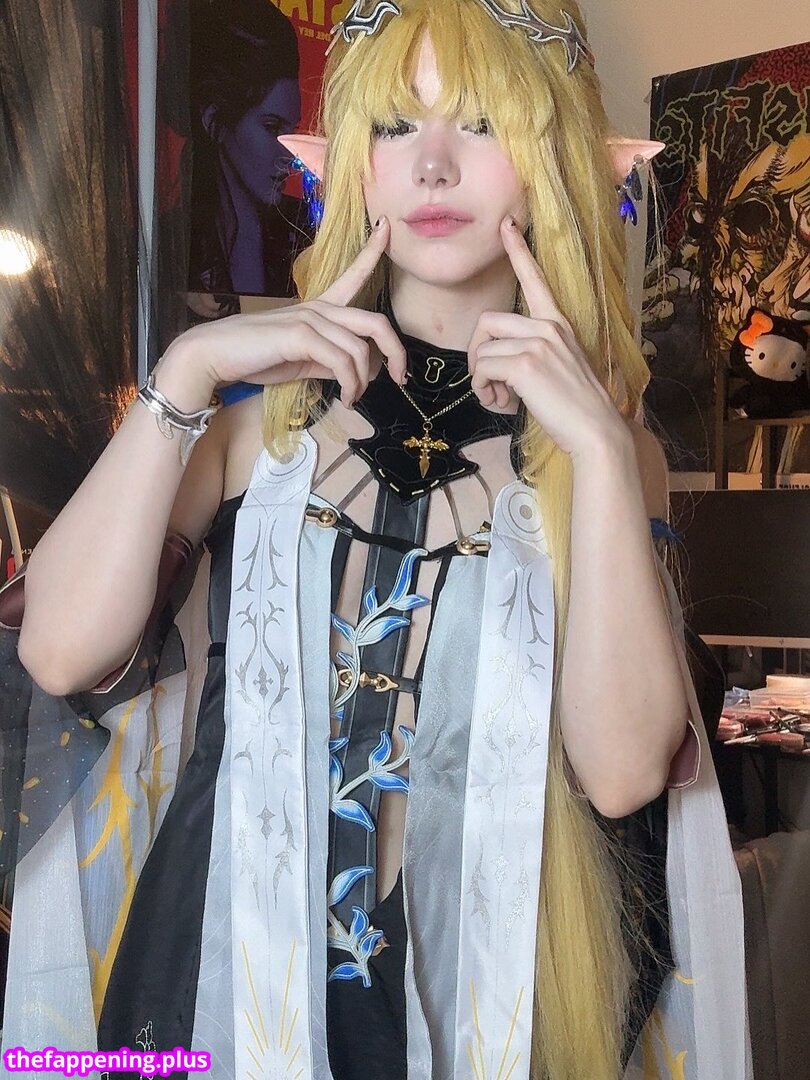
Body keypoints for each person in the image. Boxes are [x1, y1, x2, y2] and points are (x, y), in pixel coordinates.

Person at [8, 2, 749, 1078]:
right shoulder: (250, 428)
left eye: (481, 122)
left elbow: (627, 773)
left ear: (550, 156)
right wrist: (186, 371)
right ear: (356, 158)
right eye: (397, 125)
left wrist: (594, 440)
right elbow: (57, 653)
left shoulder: (602, 449)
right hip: (215, 976)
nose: (433, 165)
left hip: (479, 988)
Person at [187, 0, 309, 297]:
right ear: (213, 120)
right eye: (271, 128)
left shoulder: (304, 234)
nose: (289, 153)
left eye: (291, 132)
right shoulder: (173, 241)